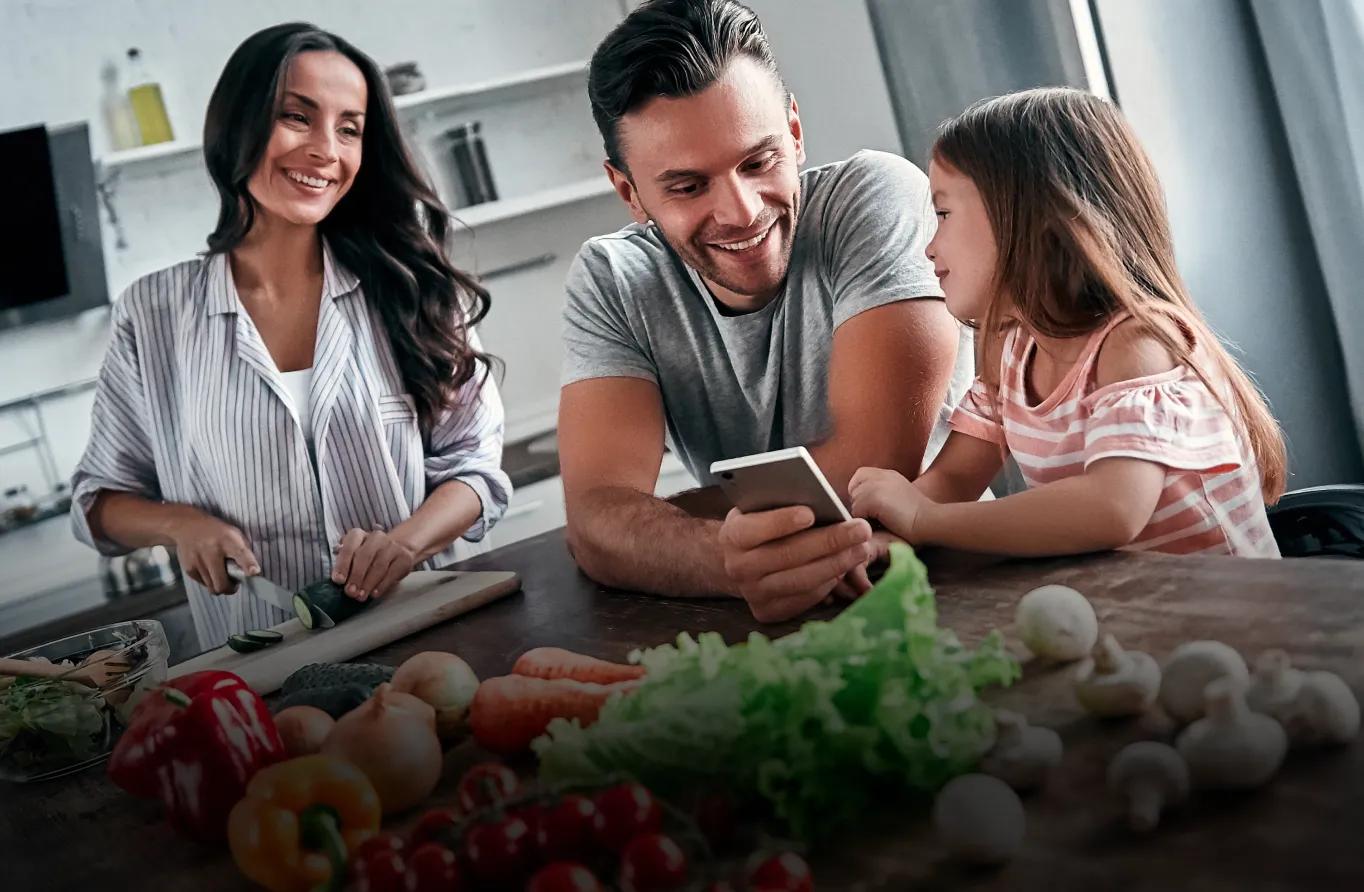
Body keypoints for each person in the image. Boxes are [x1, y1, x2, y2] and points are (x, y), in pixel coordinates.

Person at [70, 23, 511, 648]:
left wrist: (405, 544)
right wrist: (181, 524)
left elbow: (477, 470)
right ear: (237, 125)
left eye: (350, 128)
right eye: (297, 117)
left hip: (431, 637)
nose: (326, 149)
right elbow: (99, 500)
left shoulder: (414, 290)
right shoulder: (155, 313)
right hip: (262, 665)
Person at [557, 0, 972, 623]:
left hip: (946, 587)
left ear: (796, 132)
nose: (742, 210)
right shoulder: (613, 278)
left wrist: (653, 530)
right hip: (757, 619)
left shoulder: (875, 198)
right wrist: (722, 560)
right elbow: (594, 524)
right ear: (628, 192)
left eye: (759, 161)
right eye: (688, 186)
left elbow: (871, 472)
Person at [849, 88, 1285, 558]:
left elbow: (1112, 508)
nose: (930, 247)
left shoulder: (1137, 344)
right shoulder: (1013, 352)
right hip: (1131, 614)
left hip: (1234, 621)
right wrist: (880, 540)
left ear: (1035, 219)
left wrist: (924, 519)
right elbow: (955, 477)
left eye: (943, 214)